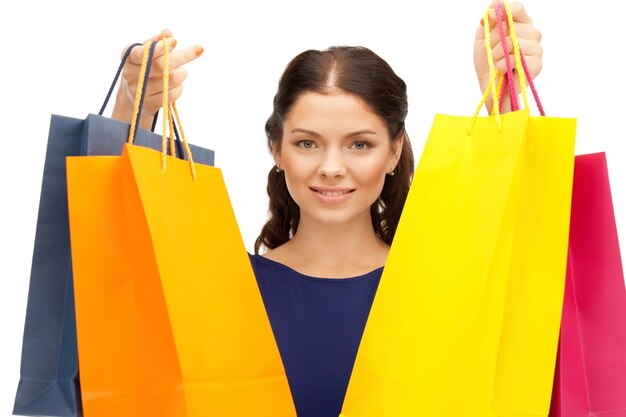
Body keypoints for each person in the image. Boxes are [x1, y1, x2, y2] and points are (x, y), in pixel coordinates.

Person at [110, 3, 543, 416]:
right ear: (277, 150)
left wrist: (503, 101)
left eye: (360, 144)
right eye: (307, 143)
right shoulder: (224, 290)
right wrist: (134, 106)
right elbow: (112, 289)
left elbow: (523, 309)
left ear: (393, 153)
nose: (331, 168)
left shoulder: (442, 291)